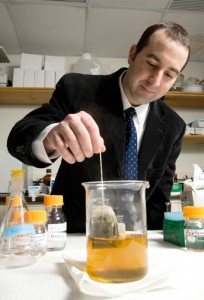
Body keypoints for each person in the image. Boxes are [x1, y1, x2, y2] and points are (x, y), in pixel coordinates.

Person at [7, 22, 191, 233]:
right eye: (151, 63)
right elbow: (19, 137)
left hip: (133, 240)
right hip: (74, 235)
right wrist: (50, 136)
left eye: (169, 74)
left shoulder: (173, 125)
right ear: (132, 54)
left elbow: (159, 198)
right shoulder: (77, 89)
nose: (155, 81)